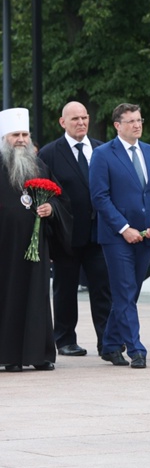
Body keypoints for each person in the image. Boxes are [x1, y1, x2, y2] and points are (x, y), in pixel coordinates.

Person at [89, 103, 150, 369]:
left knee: (130, 292)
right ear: (117, 125)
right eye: (131, 121)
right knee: (124, 291)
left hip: (148, 234)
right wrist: (124, 228)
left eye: (139, 119)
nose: (137, 125)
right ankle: (136, 348)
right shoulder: (103, 154)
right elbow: (100, 197)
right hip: (116, 236)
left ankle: (111, 343)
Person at [38, 101, 112, 358]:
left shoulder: (103, 149)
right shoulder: (50, 153)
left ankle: (107, 341)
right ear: (62, 122)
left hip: (99, 233)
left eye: (84, 118)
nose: (81, 123)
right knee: (65, 288)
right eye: (74, 119)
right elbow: (42, 194)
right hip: (65, 234)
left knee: (103, 289)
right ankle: (65, 339)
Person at [0, 108, 66, 372]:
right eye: (15, 134)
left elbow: (61, 200)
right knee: (9, 296)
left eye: (25, 134)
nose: (21, 140)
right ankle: (9, 355)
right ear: (4, 137)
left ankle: (39, 354)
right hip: (5, 247)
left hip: (35, 246)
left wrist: (51, 209)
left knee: (37, 298)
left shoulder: (39, 166)